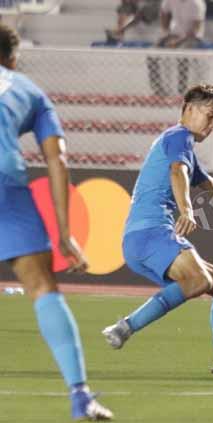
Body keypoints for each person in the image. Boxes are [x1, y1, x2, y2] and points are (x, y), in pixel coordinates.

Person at [101, 85, 213, 375]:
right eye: (210, 115)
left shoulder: (182, 147)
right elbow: (177, 172)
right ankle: (124, 328)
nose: (212, 124)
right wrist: (186, 209)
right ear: (189, 109)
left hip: (144, 239)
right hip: (151, 233)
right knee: (198, 280)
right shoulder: (178, 136)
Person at [0, 23, 113, 420]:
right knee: (42, 285)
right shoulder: (29, 90)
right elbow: (57, 159)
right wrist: (65, 233)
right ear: (13, 58)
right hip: (5, 185)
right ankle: (80, 396)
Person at [147, 0, 207, 96]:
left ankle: (182, 90)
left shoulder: (196, 4)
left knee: (182, 54)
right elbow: (163, 13)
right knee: (152, 53)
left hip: (192, 38)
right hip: (173, 34)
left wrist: (177, 42)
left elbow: (195, 30)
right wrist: (165, 32)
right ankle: (158, 90)